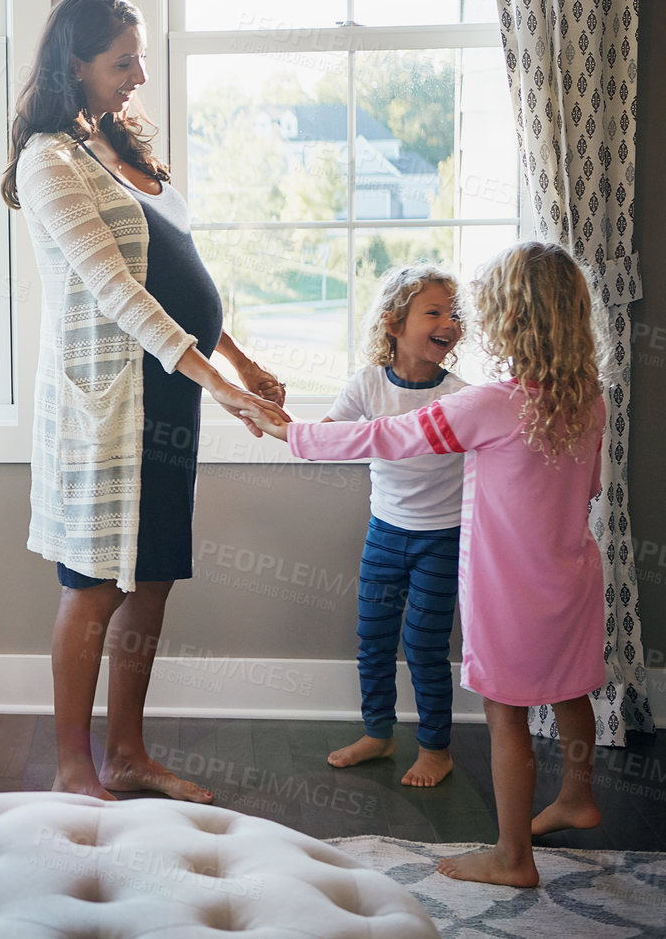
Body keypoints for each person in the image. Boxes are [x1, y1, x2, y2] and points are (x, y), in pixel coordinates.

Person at [3, 0, 289, 802]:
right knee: (94, 584)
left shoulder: (113, 147)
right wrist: (217, 380)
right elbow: (115, 291)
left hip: (170, 395)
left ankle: (128, 754)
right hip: (111, 405)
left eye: (140, 59)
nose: (137, 76)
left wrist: (233, 361)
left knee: (152, 577)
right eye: (122, 61)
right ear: (76, 62)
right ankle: (72, 769)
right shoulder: (49, 160)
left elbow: (174, 274)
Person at [249, 241, 606, 887]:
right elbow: (593, 489)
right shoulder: (590, 399)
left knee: (507, 717)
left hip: (510, 593)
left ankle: (513, 856)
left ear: (510, 319)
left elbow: (389, 436)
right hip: (575, 580)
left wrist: (290, 433)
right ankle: (577, 795)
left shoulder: (485, 404)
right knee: (570, 687)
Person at [320, 266, 468, 787]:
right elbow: (329, 437)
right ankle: (378, 733)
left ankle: (436, 748)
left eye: (454, 313)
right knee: (374, 639)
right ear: (393, 323)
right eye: (434, 311)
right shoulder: (367, 384)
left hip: (442, 538)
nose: (449, 322)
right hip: (384, 532)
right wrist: (281, 424)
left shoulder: (460, 395)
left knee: (426, 644)